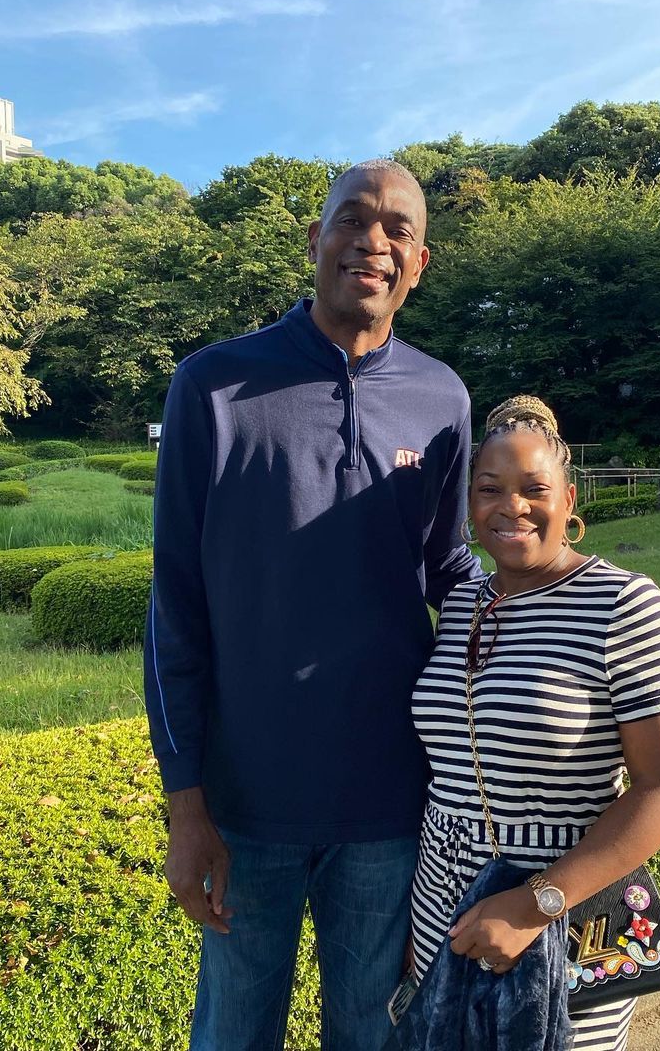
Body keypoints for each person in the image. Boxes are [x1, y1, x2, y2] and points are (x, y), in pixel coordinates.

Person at [144, 159, 482, 1050]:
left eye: (397, 230)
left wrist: (561, 602)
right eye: (351, 221)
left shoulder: (442, 398)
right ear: (315, 240)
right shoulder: (213, 387)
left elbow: (448, 567)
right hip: (245, 805)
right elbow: (173, 602)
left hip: (387, 799)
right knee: (234, 1032)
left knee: (375, 1035)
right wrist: (186, 805)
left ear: (420, 263)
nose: (372, 242)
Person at [408, 395, 660, 1051]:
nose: (512, 506)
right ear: (469, 506)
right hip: (440, 914)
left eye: (534, 489)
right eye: (490, 489)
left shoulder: (625, 606)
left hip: (566, 918)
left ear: (570, 501)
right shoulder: (462, 604)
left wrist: (531, 906)